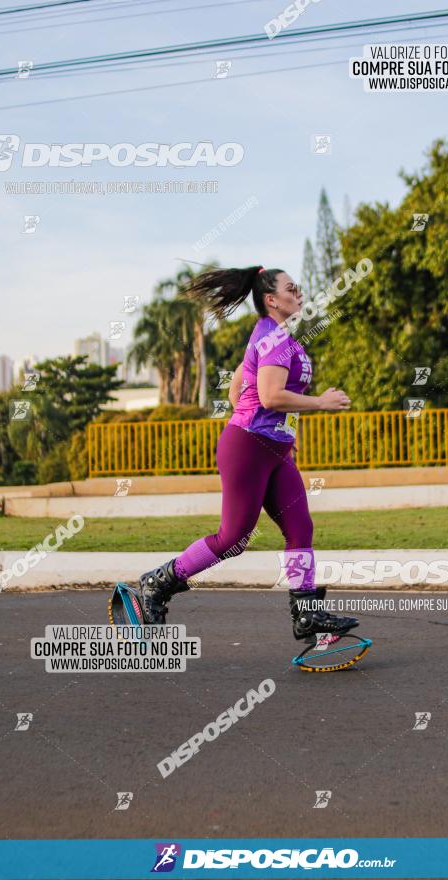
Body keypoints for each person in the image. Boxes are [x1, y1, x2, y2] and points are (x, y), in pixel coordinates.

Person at [138, 265, 358, 642]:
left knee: (300, 526)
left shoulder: (275, 337)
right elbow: (269, 396)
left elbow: (238, 388)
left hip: (272, 451)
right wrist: (318, 403)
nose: (299, 292)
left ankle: (305, 615)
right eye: (292, 288)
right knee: (234, 538)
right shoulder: (272, 337)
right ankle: (158, 583)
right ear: (272, 300)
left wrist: (279, 432)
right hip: (247, 448)